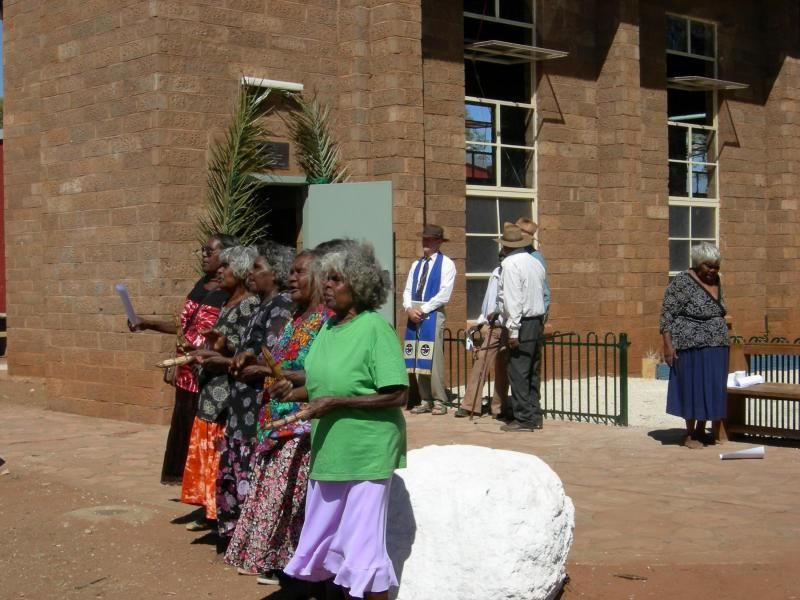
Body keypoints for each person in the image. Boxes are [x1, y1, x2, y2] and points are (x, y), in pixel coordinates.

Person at [284, 241, 408, 600]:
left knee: (363, 550)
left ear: (359, 284)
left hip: (366, 453)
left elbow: (399, 394)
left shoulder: (374, 329)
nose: (327, 286)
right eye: (325, 279)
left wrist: (337, 402)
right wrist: (290, 392)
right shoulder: (328, 328)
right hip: (330, 452)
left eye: (335, 279)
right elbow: (319, 385)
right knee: (328, 543)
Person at [225, 249, 332, 584]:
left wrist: (275, 374)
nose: (292, 278)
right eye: (292, 272)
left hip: (298, 422)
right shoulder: (295, 319)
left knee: (286, 497)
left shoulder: (325, 322)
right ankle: (276, 560)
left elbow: (317, 373)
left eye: (300, 273)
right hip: (274, 419)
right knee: (273, 494)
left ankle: (291, 567)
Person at [129, 233, 237, 485]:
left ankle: (202, 489)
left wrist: (198, 347)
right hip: (186, 373)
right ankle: (183, 480)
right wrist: (148, 323)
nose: (204, 255)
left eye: (210, 251)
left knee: (203, 433)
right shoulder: (201, 285)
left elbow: (226, 335)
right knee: (183, 427)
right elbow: (184, 326)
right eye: (203, 250)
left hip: (208, 374)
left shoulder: (230, 294)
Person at [215, 242, 296, 541]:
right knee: (235, 467)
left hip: (255, 407)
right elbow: (250, 350)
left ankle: (251, 540)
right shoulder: (263, 304)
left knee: (250, 471)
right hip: (241, 405)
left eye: (258, 268)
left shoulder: (281, 306)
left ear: (275, 274)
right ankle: (235, 538)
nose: (251, 273)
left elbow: (274, 354)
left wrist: (247, 359)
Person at [181, 246, 260, 531]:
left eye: (225, 267)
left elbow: (247, 350)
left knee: (221, 453)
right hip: (210, 392)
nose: (219, 271)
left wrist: (221, 348)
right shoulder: (226, 302)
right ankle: (210, 510)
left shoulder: (249, 305)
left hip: (226, 394)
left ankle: (221, 514)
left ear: (239, 272)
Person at [660, 242, 729, 448]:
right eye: (709, 266)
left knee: (711, 386)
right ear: (698, 264)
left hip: (717, 342)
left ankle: (701, 429)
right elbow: (667, 314)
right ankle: (690, 434)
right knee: (692, 387)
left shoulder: (716, 280)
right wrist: (668, 346)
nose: (713, 270)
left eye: (716, 266)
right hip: (691, 343)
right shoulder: (683, 281)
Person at [496, 222, 547, 433]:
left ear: (506, 246)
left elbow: (513, 300)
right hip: (536, 320)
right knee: (532, 370)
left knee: (517, 371)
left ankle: (523, 418)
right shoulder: (535, 262)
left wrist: (514, 330)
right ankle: (534, 414)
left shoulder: (510, 265)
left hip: (522, 322)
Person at [403, 224, 456, 415]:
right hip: (414, 313)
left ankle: (439, 400)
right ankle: (425, 398)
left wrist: (423, 309)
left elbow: (444, 294)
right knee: (417, 356)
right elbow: (408, 289)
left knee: (433, 358)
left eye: (430, 239)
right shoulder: (416, 264)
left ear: (439, 242)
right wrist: (409, 308)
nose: (425, 242)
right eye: (424, 238)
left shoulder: (447, 264)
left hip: (432, 313)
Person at [454, 248, 509, 419]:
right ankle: (470, 405)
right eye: (499, 256)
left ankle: (498, 408)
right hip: (493, 326)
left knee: (503, 367)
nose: (501, 259)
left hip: (508, 326)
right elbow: (489, 298)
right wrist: (481, 320)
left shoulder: (514, 273)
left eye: (504, 256)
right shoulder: (496, 273)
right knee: (481, 362)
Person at [515, 217, 551, 318]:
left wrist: (540, 319)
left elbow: (544, 290)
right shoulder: (513, 255)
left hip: (530, 317)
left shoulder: (536, 257)